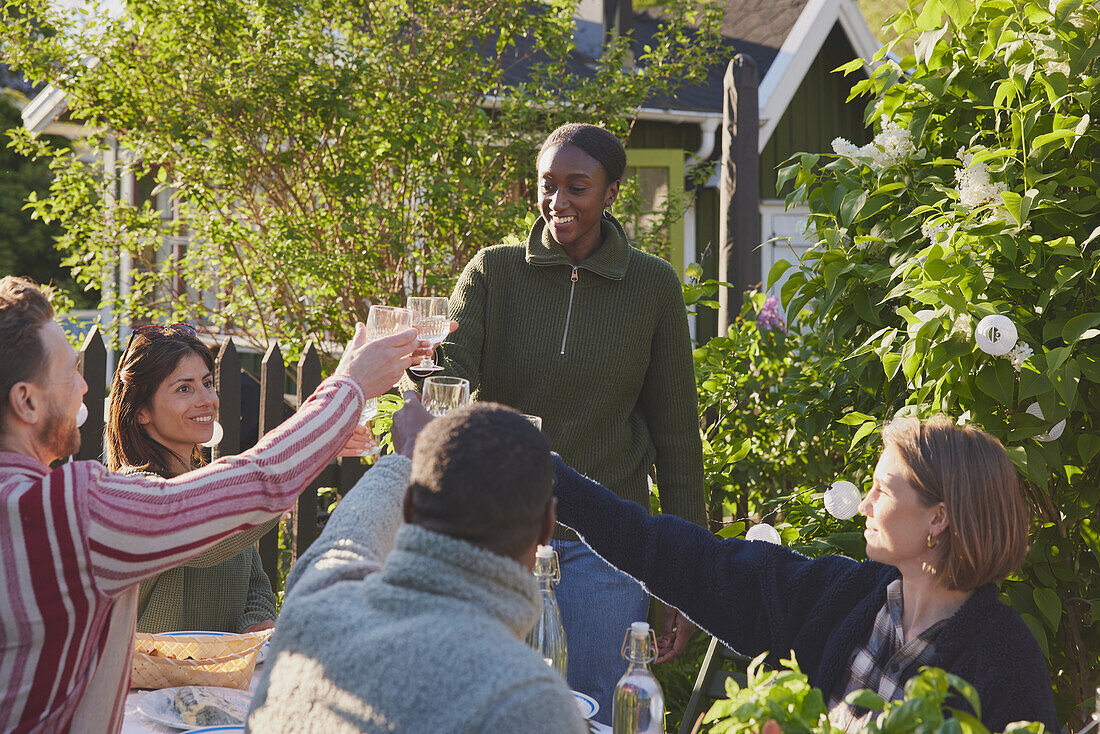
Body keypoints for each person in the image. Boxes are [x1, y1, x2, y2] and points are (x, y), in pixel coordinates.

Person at [0, 275, 420, 733]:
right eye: (69, 374)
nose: (84, 387)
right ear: (26, 401)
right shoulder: (67, 511)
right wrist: (351, 386)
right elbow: (255, 486)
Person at [428, 121, 706, 720]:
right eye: (546, 185)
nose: (558, 202)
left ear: (611, 194)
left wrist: (686, 575)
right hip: (499, 537)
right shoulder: (492, 272)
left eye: (577, 187)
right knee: (483, 708)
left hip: (605, 547)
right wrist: (409, 364)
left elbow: (678, 437)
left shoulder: (652, 286)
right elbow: (443, 376)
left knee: (590, 715)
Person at [551, 416, 1059, 732]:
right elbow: (681, 557)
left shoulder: (1005, 660)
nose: (864, 504)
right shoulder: (843, 596)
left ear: (937, 519)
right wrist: (554, 482)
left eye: (882, 489)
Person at [247, 395, 587, 734]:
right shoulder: (528, 701)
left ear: (407, 507)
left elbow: (344, 541)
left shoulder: (314, 606)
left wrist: (408, 456)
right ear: (546, 529)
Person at [103, 324, 275, 634]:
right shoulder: (133, 493)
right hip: (147, 682)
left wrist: (255, 626)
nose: (207, 399)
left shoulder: (213, 487)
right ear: (142, 410)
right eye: (185, 388)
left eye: (207, 383)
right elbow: (211, 536)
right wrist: (299, 463)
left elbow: (257, 589)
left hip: (223, 679)